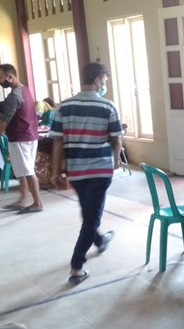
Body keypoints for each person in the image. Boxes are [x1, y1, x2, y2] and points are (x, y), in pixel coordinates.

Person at [49, 62, 123, 284]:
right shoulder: (107, 106)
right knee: (91, 216)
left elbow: (58, 142)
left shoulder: (64, 107)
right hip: (100, 169)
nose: (105, 86)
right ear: (98, 80)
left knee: (88, 211)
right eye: (105, 81)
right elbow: (116, 138)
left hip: (77, 170)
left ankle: (100, 241)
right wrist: (116, 159)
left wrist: (56, 170)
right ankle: (76, 266)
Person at [0, 64, 43, 214]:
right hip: (29, 135)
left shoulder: (14, 95)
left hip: (21, 137)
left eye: (1, 77)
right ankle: (23, 200)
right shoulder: (25, 90)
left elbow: (6, 120)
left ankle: (37, 203)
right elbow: (10, 114)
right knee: (22, 170)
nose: (0, 80)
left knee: (27, 171)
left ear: (10, 77)